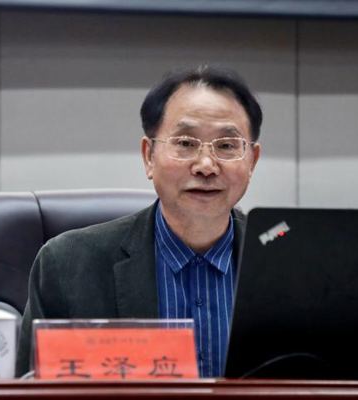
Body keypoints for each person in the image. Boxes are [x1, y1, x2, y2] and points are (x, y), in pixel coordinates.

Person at [15, 65, 262, 378]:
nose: (205, 165)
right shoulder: (66, 266)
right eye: (185, 143)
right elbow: (28, 395)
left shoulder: (291, 266)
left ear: (252, 161)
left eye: (226, 146)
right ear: (149, 156)